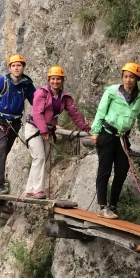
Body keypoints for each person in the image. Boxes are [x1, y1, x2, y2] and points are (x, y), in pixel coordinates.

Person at [89, 61, 140, 218]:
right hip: (106, 134)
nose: (128, 80)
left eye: (131, 77)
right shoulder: (112, 92)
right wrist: (95, 131)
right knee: (104, 170)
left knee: (121, 171)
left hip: (122, 138)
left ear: (137, 79)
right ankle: (102, 207)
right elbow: (101, 111)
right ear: (122, 77)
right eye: (125, 76)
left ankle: (113, 206)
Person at [23, 65, 90, 198]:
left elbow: (74, 114)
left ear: (62, 80)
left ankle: (30, 189)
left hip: (47, 130)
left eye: (58, 79)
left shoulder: (64, 97)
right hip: (34, 128)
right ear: (49, 79)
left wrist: (87, 129)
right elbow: (37, 113)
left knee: (41, 158)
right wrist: (43, 130)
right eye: (53, 79)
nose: (55, 81)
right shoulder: (41, 93)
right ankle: (38, 190)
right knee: (39, 157)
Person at [0, 53, 36, 195]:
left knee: (3, 152)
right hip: (0, 121)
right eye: (13, 65)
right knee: (1, 148)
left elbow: (36, 103)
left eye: (19, 65)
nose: (16, 68)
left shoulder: (27, 85)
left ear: (23, 67)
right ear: (9, 68)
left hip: (15, 123)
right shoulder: (1, 82)